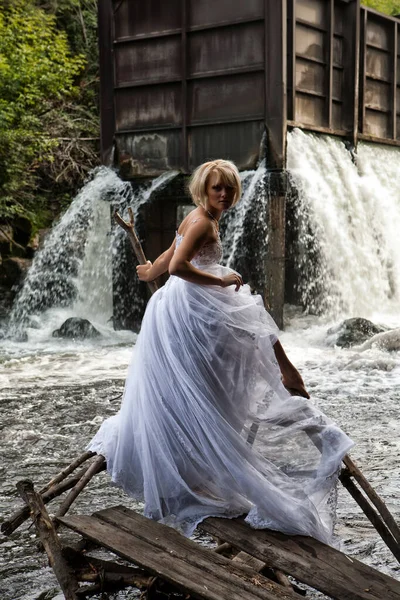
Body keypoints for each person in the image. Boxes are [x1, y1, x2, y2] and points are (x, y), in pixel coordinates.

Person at [88, 159, 353, 544]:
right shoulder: (202, 221)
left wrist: (151, 270)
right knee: (249, 320)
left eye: (229, 188)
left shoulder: (198, 218)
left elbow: (171, 252)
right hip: (188, 306)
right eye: (217, 189)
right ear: (204, 190)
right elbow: (180, 265)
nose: (225, 195)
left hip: (179, 304)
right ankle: (287, 378)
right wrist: (218, 277)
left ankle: (282, 377)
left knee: (239, 335)